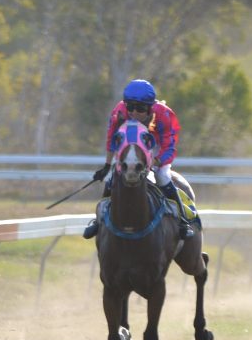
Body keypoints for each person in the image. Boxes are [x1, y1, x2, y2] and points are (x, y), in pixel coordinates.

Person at [82, 78, 196, 241]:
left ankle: (183, 222)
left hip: (155, 149)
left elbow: (169, 146)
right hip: (130, 150)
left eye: (141, 108)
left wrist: (154, 162)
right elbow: (111, 139)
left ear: (150, 107)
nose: (134, 113)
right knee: (112, 177)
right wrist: (107, 165)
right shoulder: (119, 111)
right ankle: (99, 221)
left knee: (162, 176)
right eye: (131, 107)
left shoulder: (163, 113)